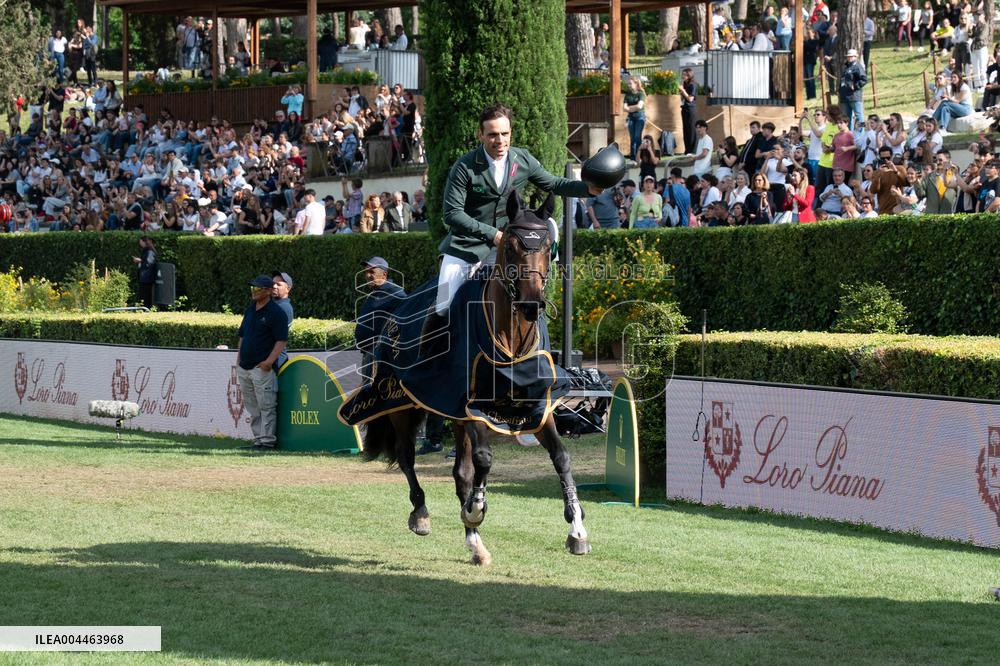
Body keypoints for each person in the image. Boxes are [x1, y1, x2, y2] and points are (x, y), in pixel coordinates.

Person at [431, 103, 599, 330]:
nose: (500, 140)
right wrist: (493, 234)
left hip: (508, 248)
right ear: (480, 134)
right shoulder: (464, 166)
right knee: (443, 305)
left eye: (504, 133)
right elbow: (452, 213)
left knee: (529, 294)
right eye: (492, 134)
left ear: (511, 132)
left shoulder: (522, 159)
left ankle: (538, 347)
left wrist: (588, 189)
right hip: (465, 246)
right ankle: (430, 349)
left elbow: (554, 183)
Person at [236, 275, 289, 451]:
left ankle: (267, 442)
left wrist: (269, 362)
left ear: (268, 291)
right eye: (252, 288)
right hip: (245, 366)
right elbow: (242, 336)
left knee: (266, 405)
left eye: (257, 288)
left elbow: (281, 340)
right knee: (252, 406)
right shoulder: (250, 309)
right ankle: (258, 440)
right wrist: (239, 359)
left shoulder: (276, 312)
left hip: (262, 368)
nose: (254, 291)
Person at [355, 256, 406, 380]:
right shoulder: (374, 293)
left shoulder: (396, 293)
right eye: (366, 272)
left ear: (384, 274)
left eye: (371, 272)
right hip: (368, 354)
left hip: (380, 357)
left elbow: (405, 321)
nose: (367, 275)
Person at [839, 49, 867, 132]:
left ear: (855, 57)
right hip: (845, 96)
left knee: (859, 116)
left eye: (851, 56)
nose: (849, 58)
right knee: (847, 117)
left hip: (854, 96)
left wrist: (855, 86)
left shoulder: (857, 66)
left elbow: (864, 79)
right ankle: (849, 134)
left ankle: (861, 133)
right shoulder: (846, 67)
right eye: (848, 56)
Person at [271, 271, 294, 369]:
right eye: (273, 283)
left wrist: (267, 363)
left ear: (288, 289)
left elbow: (280, 340)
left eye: (278, 284)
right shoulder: (274, 306)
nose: (274, 286)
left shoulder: (284, 308)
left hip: (275, 364)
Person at [623, 77, 646, 161]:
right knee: (632, 138)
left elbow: (640, 106)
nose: (629, 85)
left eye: (630, 83)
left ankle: (638, 157)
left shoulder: (641, 94)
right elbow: (624, 108)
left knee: (637, 137)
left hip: (640, 116)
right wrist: (634, 108)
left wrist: (629, 108)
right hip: (631, 117)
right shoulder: (628, 94)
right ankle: (633, 157)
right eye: (628, 83)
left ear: (636, 84)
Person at [132, 236, 158, 308]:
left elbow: (149, 263)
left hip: (147, 277)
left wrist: (140, 260)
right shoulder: (147, 251)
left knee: (146, 295)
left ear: (144, 242)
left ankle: (146, 308)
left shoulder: (149, 252)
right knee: (143, 295)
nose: (140, 243)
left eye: (141, 242)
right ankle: (144, 307)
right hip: (145, 277)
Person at [679, 68, 697, 155]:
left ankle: (692, 150)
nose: (682, 76)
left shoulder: (692, 85)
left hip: (691, 109)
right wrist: (681, 92)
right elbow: (683, 98)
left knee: (691, 130)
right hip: (684, 108)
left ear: (689, 75)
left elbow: (690, 99)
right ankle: (687, 150)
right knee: (685, 129)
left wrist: (683, 90)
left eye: (684, 75)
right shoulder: (685, 84)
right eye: (682, 74)